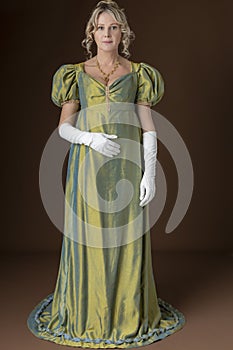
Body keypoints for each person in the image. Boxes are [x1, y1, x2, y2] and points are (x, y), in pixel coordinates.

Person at [27, 1, 185, 347]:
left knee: (125, 242)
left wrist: (151, 175)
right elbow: (63, 128)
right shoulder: (76, 73)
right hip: (88, 170)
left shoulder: (139, 73)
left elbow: (148, 127)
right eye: (101, 28)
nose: (108, 33)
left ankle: (125, 313)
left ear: (123, 32)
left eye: (114, 27)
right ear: (92, 34)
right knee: (92, 241)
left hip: (128, 170)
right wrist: (90, 139)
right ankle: (90, 313)